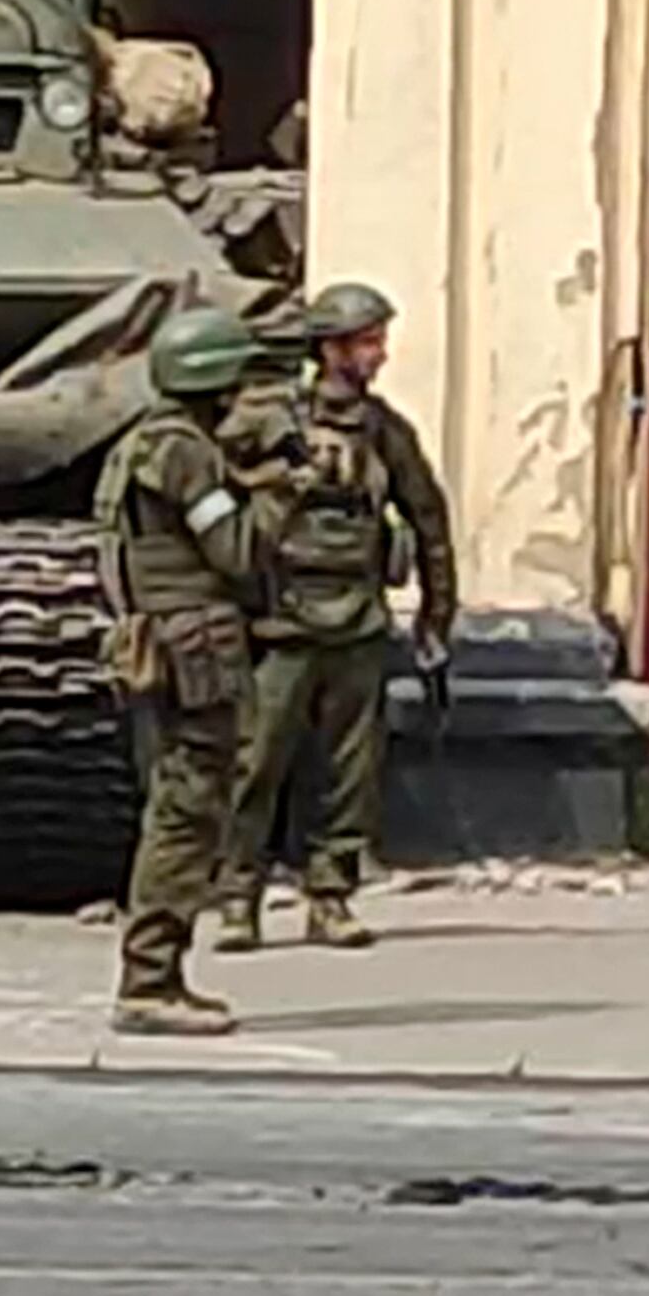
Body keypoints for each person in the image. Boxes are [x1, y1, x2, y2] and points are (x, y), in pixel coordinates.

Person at [215, 282, 459, 953]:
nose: (378, 355)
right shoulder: (262, 419)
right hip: (279, 622)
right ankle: (239, 896)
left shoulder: (384, 430)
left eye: (380, 341)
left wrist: (438, 614)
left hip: (355, 619)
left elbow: (427, 518)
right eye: (366, 342)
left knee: (349, 769)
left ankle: (331, 893)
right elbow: (209, 492)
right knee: (255, 763)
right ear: (329, 348)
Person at [98, 311, 271, 1036]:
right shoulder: (186, 454)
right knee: (187, 811)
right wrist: (271, 493)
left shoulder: (136, 444)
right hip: (194, 648)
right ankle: (150, 979)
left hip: (161, 641)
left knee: (176, 802)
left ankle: (153, 972)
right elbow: (236, 551)